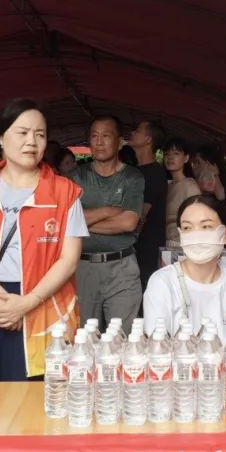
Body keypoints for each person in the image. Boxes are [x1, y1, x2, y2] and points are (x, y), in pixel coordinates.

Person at [0, 100, 86, 381]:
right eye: (22, 133)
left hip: (45, 299)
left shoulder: (65, 192)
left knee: (41, 389)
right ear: (1, 138)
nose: (32, 142)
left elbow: (69, 259)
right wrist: (0, 298)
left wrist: (27, 303)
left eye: (40, 134)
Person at [143, 194, 226, 380]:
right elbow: (156, 358)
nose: (196, 235)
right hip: (180, 391)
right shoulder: (162, 282)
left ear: (225, 234)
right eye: (188, 228)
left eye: (206, 226)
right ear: (181, 236)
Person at [71, 115, 145, 326]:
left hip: (122, 268)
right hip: (82, 267)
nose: (99, 142)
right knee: (83, 336)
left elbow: (128, 223)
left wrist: (83, 221)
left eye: (106, 136)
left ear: (120, 142)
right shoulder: (76, 177)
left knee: (122, 336)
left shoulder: (132, 177)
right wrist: (108, 210)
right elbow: (66, 220)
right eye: (94, 136)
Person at [128, 120, 169, 287]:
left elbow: (141, 215)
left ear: (148, 139)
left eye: (137, 130)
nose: (132, 133)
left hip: (146, 247)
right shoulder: (134, 171)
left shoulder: (155, 173)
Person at [164, 137, 201, 249]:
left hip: (183, 245)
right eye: (167, 154)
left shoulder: (190, 186)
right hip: (168, 244)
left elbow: (198, 218)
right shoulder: (169, 185)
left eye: (176, 153)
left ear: (186, 158)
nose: (170, 157)